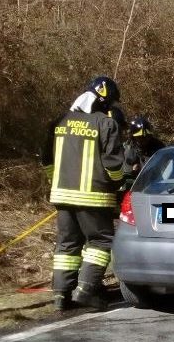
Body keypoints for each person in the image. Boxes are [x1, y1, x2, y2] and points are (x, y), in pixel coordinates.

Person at [44, 76, 125, 311]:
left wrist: (56, 182)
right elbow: (113, 165)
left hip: (61, 196)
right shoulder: (106, 124)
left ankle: (60, 295)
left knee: (67, 245)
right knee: (101, 241)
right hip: (95, 197)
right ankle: (86, 289)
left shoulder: (59, 122)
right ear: (104, 102)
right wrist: (118, 185)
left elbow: (46, 160)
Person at [121, 115, 166, 192]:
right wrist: (133, 170)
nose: (144, 140)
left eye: (147, 137)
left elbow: (166, 164)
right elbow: (126, 173)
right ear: (133, 137)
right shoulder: (128, 149)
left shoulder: (158, 146)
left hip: (155, 184)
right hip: (134, 186)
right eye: (140, 138)